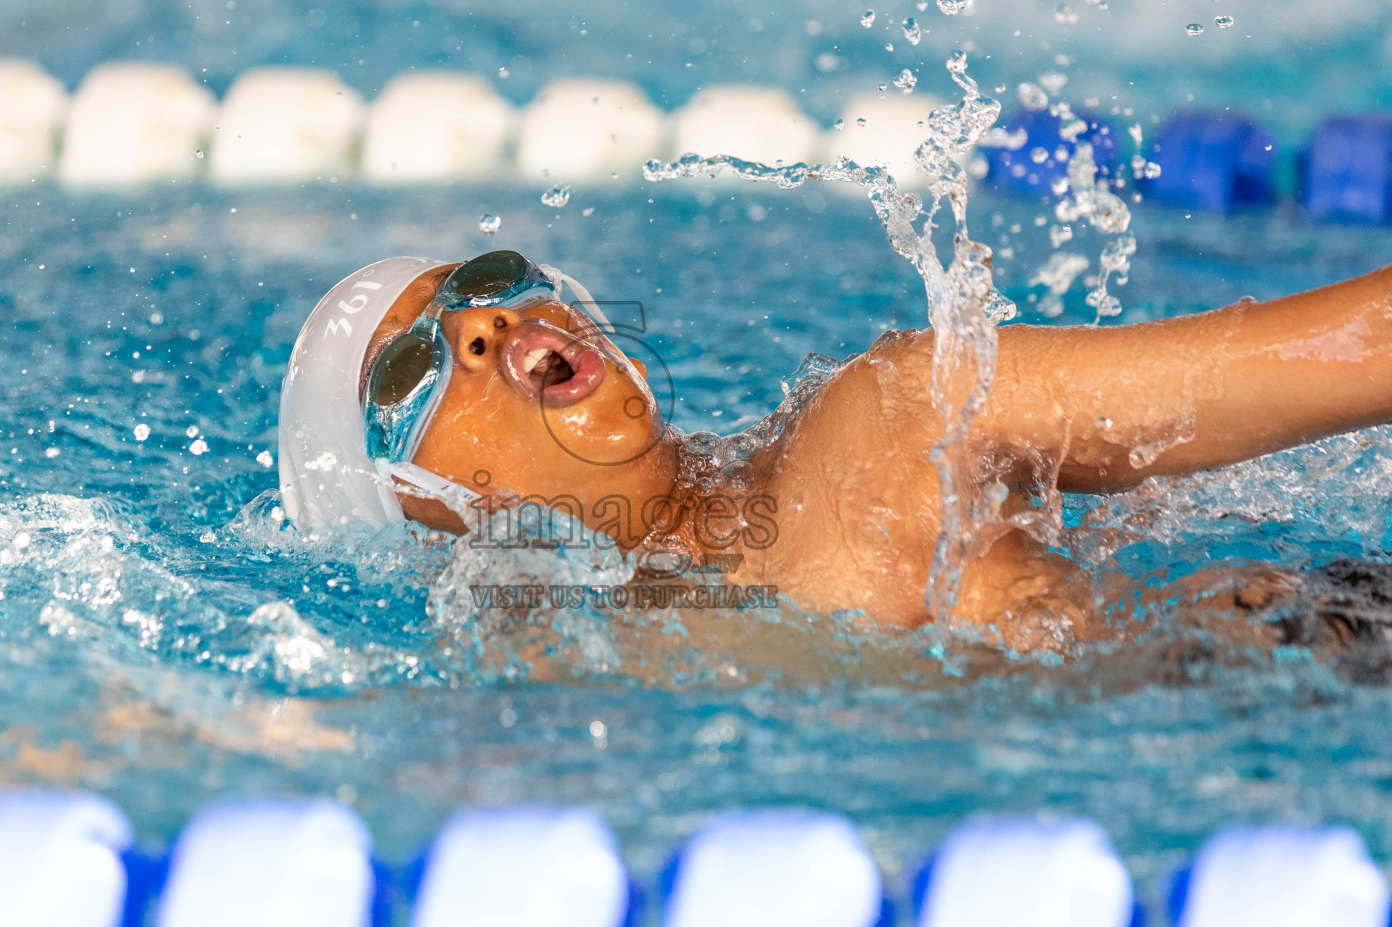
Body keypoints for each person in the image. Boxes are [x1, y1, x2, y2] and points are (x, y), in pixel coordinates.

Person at [277, 250, 1392, 652]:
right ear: (419, 504)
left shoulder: (896, 402)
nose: (485, 323)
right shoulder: (547, 650)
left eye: (488, 282)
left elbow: (1358, 348)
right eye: (411, 374)